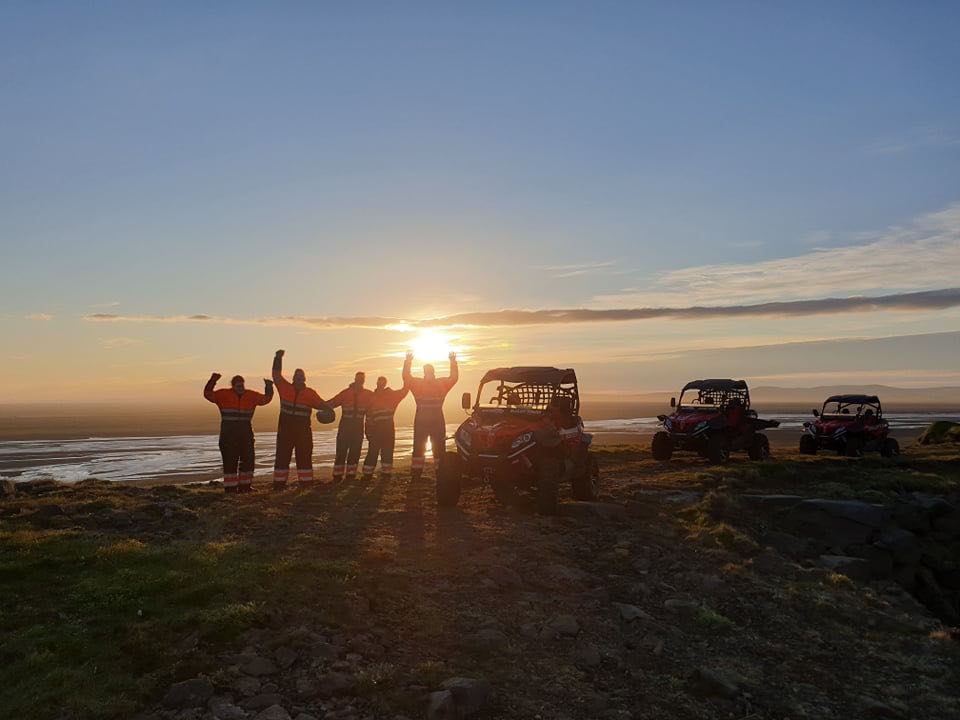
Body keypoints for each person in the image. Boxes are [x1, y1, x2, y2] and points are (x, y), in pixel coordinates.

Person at [203, 372, 273, 493]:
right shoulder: (223, 394)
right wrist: (212, 380)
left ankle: (245, 487)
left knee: (248, 460)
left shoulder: (251, 395)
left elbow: (265, 400)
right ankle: (230, 489)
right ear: (233, 386)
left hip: (245, 432)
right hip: (228, 434)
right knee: (230, 462)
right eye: (238, 385)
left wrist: (269, 387)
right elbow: (208, 394)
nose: (240, 387)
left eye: (242, 384)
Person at [272, 349, 328, 489]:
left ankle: (306, 484)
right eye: (297, 376)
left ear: (304, 379)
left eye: (301, 376)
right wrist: (278, 358)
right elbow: (276, 375)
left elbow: (322, 405)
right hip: (285, 431)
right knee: (282, 458)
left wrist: (330, 411)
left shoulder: (310, 394)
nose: (299, 378)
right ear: (293, 378)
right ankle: (279, 485)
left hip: (303, 432)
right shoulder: (284, 388)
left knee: (304, 458)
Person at [403, 350, 458, 480]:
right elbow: (453, 378)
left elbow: (406, 377)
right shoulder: (438, 384)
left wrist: (408, 361)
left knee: (434, 447)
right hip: (431, 420)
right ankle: (421, 473)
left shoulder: (424, 384)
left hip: (429, 420)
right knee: (422, 447)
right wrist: (452, 362)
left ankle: (431, 472)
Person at [327, 372, 374, 483]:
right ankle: (337, 477)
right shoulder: (345, 393)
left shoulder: (368, 394)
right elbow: (332, 402)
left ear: (364, 380)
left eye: (362, 379)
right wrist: (318, 405)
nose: (360, 381)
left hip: (358, 427)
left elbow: (375, 405)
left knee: (355, 452)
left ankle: (350, 476)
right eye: (359, 379)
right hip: (345, 426)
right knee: (341, 452)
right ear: (355, 379)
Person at [361, 376, 409, 482]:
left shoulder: (389, 396)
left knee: (385, 451)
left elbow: (404, 390)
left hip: (386, 428)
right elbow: (368, 417)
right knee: (374, 452)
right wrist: (368, 431)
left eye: (382, 383)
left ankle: (384, 474)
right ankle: (369, 474)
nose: (380, 384)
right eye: (379, 382)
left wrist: (407, 374)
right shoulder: (374, 398)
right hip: (379, 428)